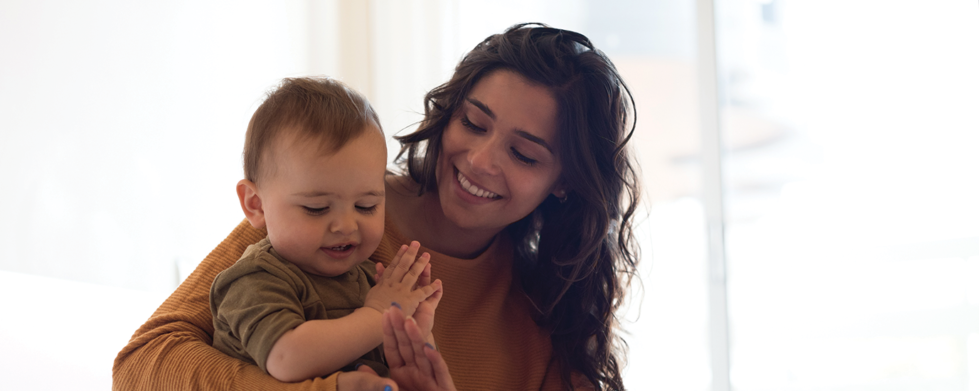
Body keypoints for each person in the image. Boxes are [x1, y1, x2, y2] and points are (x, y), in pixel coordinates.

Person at [113, 22, 640, 391]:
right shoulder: (327, 211)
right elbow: (142, 368)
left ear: (564, 182)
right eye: (473, 124)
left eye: (523, 154)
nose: (479, 160)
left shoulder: (546, 314)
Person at [208, 77, 442, 384]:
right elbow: (287, 358)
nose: (346, 226)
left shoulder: (371, 281)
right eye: (316, 209)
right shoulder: (253, 279)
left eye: (366, 205)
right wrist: (379, 314)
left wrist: (413, 334)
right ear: (256, 205)